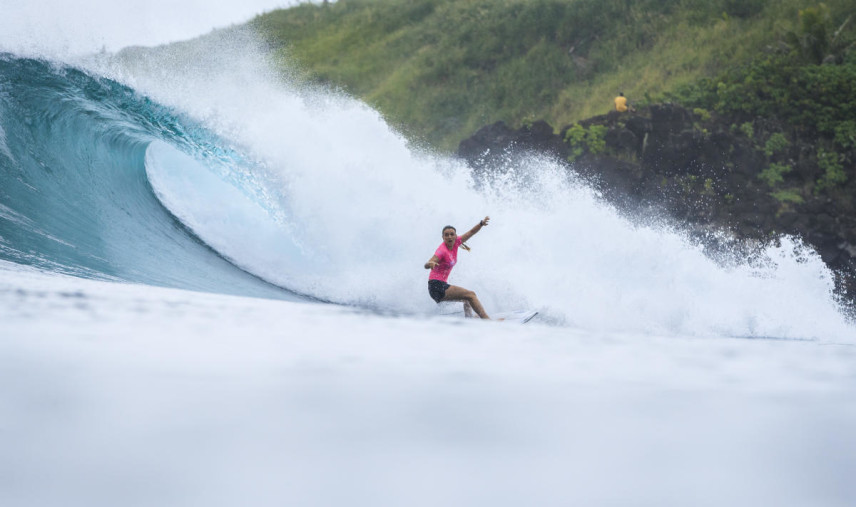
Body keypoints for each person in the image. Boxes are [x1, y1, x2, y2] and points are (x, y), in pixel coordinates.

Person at [424, 216, 491, 319]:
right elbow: (428, 263)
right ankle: (487, 320)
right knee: (471, 295)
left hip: (440, 286)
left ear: (455, 236)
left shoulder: (457, 242)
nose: (449, 237)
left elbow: (471, 232)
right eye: (446, 235)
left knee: (467, 299)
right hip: (436, 286)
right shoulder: (442, 250)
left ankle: (469, 320)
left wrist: (481, 223)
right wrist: (430, 264)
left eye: (452, 234)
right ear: (443, 237)